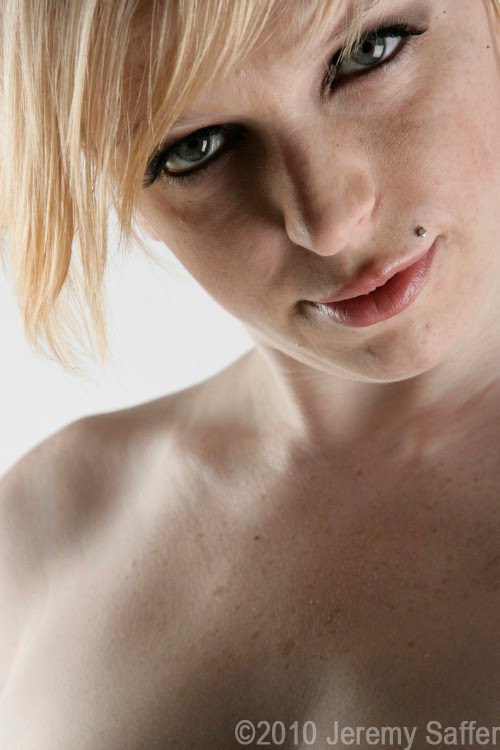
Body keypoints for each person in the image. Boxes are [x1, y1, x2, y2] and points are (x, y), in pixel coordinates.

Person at [0, 0, 499, 746]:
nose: (328, 221)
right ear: (121, 195)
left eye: (372, 51)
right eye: (198, 148)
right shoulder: (40, 535)